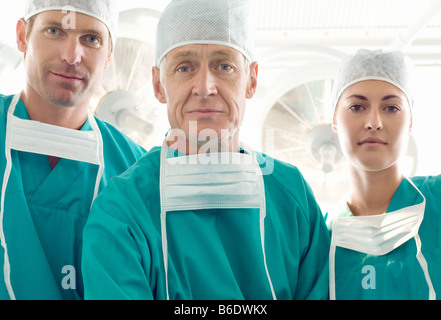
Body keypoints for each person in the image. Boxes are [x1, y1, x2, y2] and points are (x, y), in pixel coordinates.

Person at [82, 0, 330, 300]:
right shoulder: (123, 210)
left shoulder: (292, 196)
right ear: (158, 85)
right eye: (184, 67)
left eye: (224, 66)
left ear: (251, 79)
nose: (205, 87)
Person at [0, 0, 146, 300]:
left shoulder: (137, 173)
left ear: (108, 56)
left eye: (91, 39)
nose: (71, 56)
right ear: (22, 35)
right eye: (54, 30)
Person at [328, 48, 441, 300]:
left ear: (410, 122)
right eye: (357, 106)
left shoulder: (438, 199)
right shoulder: (317, 235)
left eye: (391, 108)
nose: (374, 122)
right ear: (334, 119)